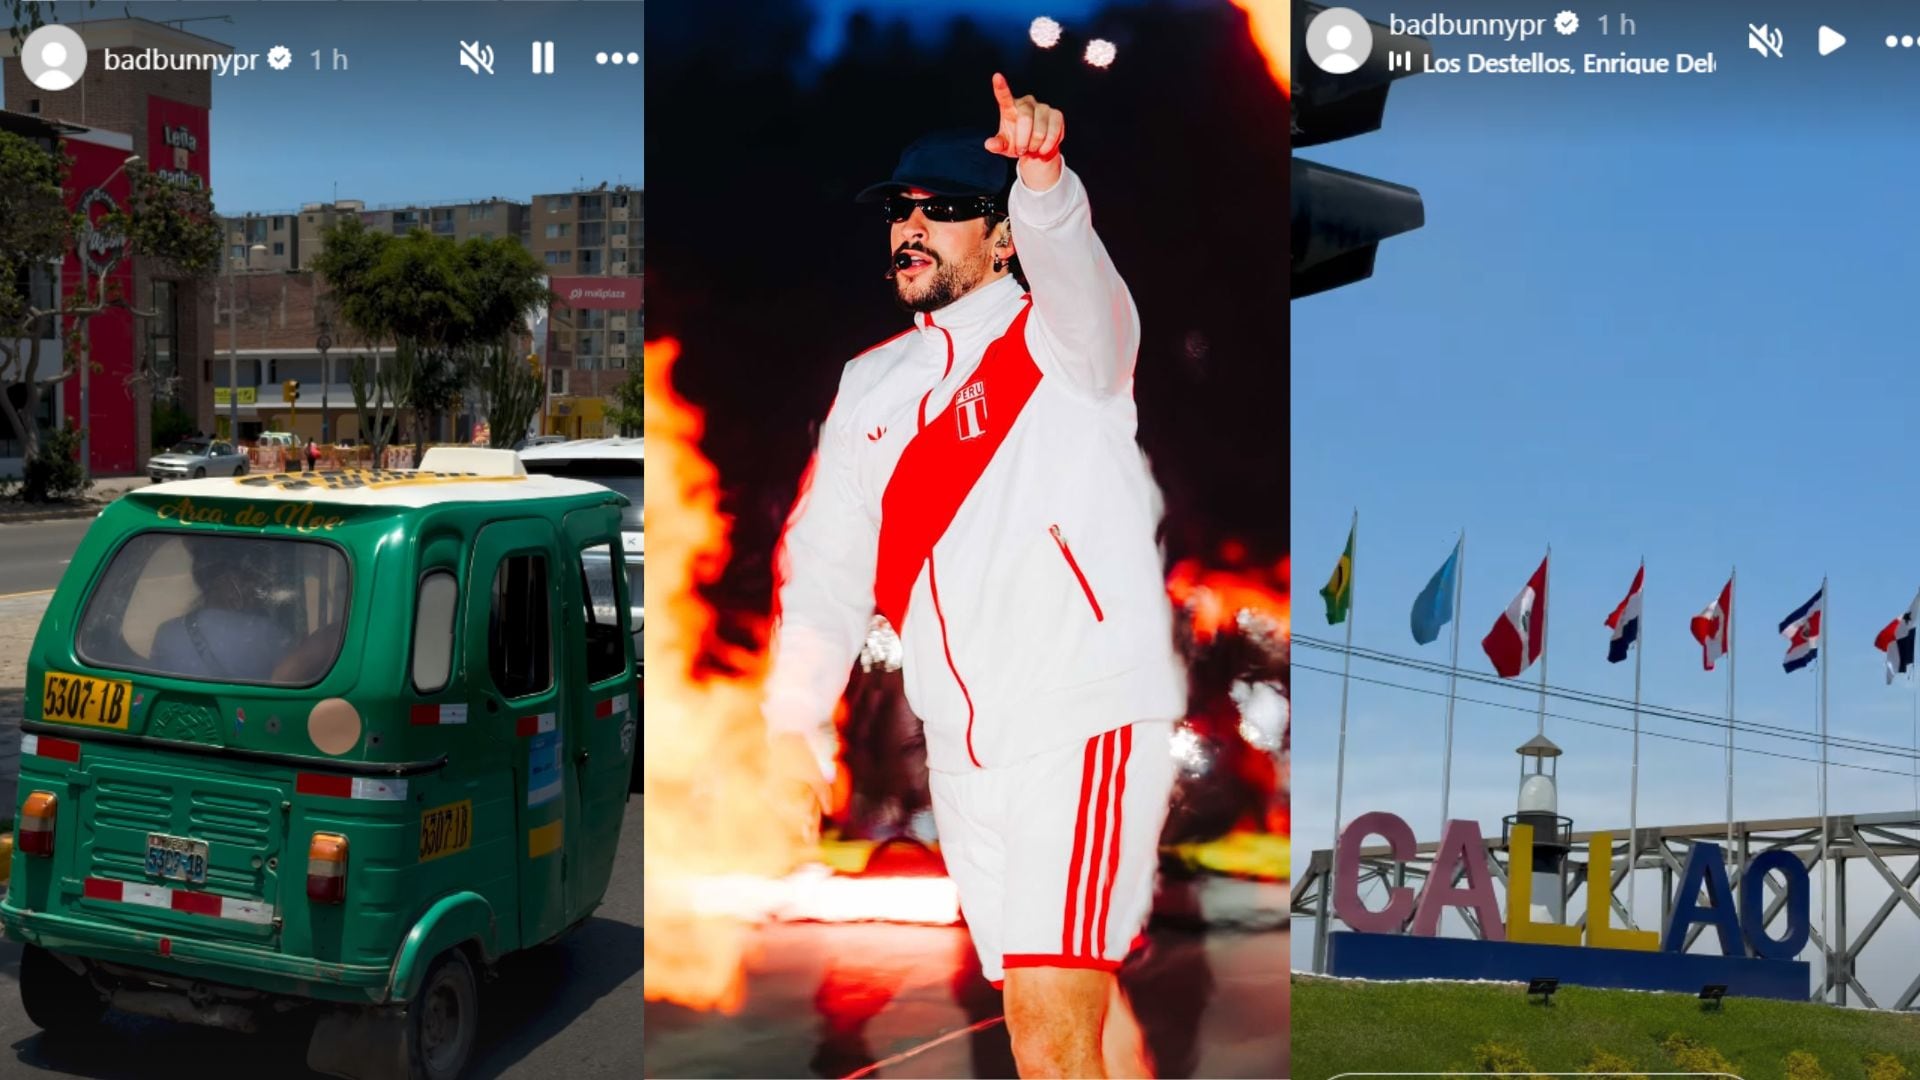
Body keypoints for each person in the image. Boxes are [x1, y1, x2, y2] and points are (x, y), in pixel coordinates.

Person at [763, 74, 1186, 1078]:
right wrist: (795, 722)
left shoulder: (1066, 344)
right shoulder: (869, 385)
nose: (911, 228)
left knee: (1049, 1028)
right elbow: (826, 572)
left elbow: (1074, 266)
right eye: (899, 210)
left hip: (1079, 721)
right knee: (1054, 1035)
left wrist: (1044, 182)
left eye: (944, 207)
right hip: (962, 755)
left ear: (1000, 239)